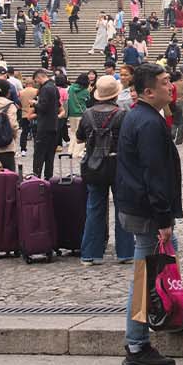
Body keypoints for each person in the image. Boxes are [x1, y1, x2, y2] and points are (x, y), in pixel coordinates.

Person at [115, 62, 183, 365]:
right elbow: (155, 174)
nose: (172, 87)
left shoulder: (139, 116)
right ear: (147, 91)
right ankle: (137, 344)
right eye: (165, 82)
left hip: (137, 206)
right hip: (147, 212)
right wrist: (164, 219)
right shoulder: (149, 123)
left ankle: (165, 320)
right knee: (144, 279)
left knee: (151, 273)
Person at [77, 75, 134, 265]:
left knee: (94, 208)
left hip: (94, 165)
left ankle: (91, 253)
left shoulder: (87, 114)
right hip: (117, 164)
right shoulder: (122, 114)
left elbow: (79, 138)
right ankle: (125, 251)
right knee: (122, 207)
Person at [31, 68, 62, 179]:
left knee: (39, 155)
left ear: (40, 77)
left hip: (44, 126)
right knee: (50, 156)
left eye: (36, 80)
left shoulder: (45, 89)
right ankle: (48, 179)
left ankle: (36, 179)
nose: (36, 83)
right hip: (53, 125)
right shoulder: (54, 87)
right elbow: (58, 105)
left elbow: (43, 107)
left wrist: (34, 103)